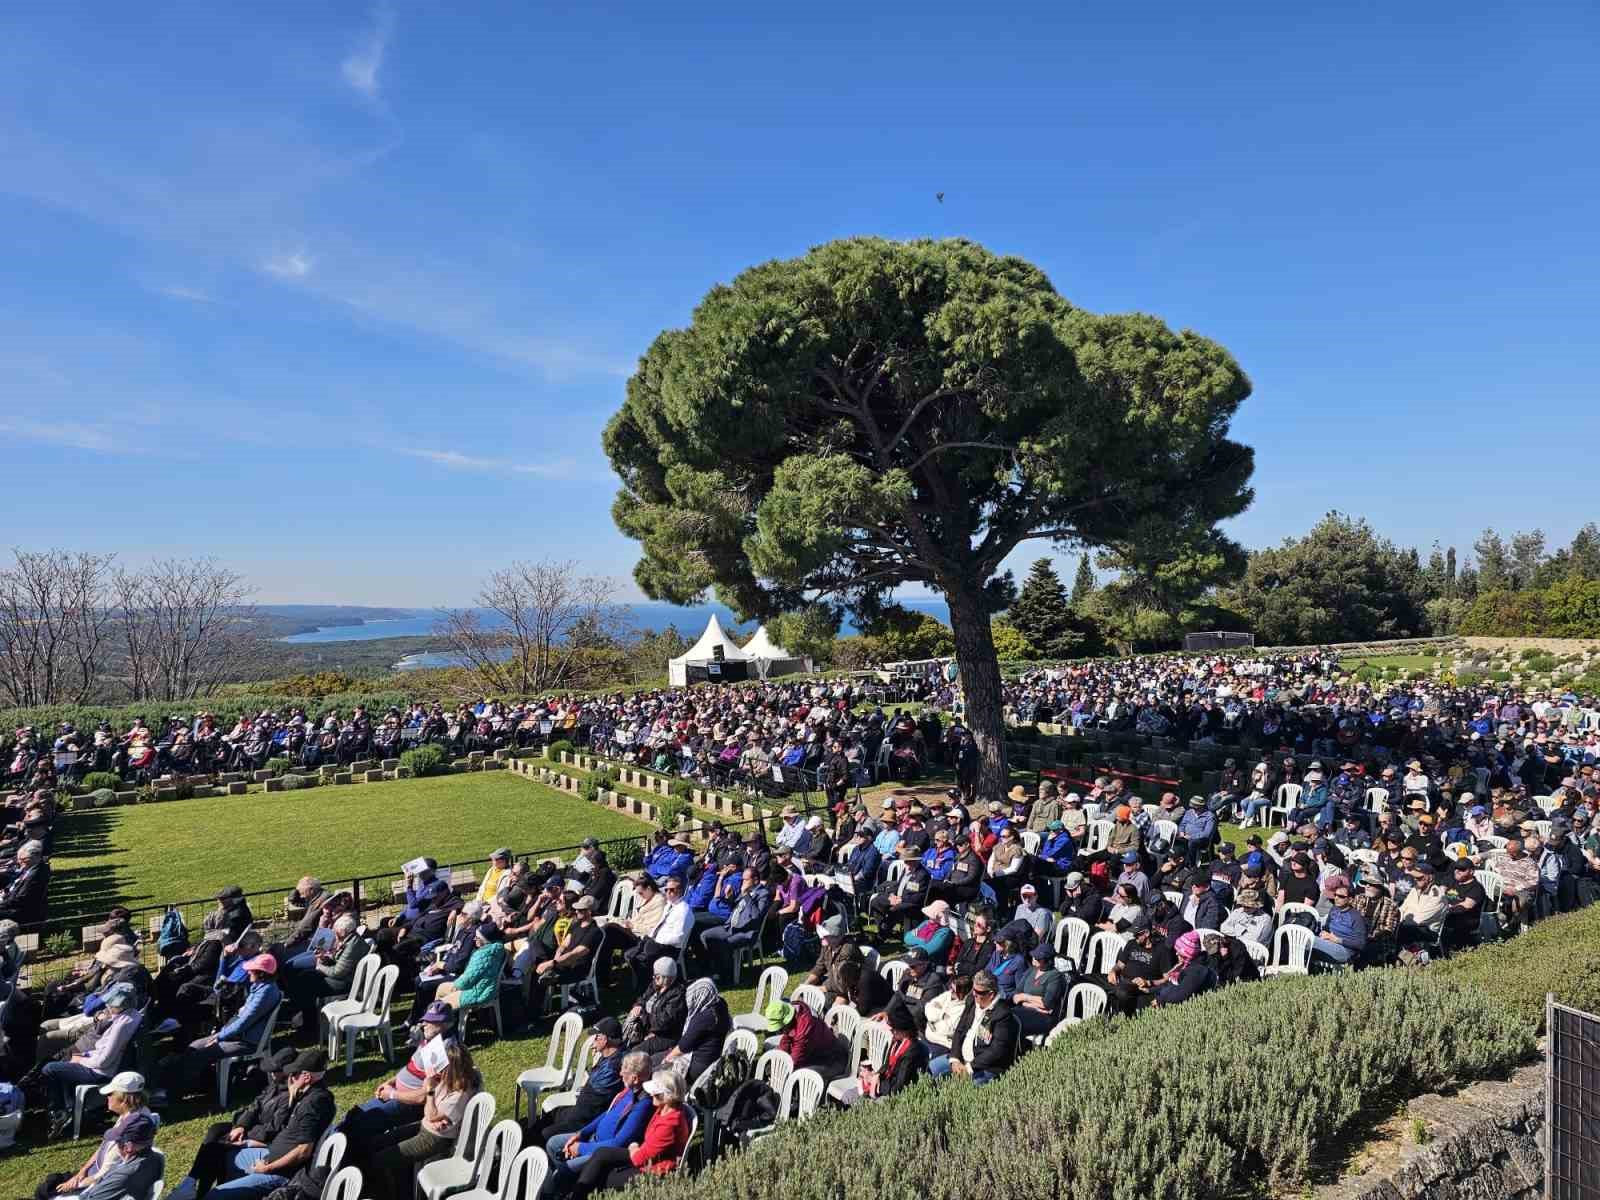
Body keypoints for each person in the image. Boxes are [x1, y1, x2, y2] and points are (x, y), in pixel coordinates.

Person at [206, 1049, 334, 1198]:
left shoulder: (313, 1103)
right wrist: (251, 1143)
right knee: (228, 1157)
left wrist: (267, 1169)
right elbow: (288, 1132)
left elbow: (303, 1152)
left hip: (281, 1172)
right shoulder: (307, 1095)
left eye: (294, 1074)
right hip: (270, 1154)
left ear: (306, 1077)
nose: (290, 1078)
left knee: (213, 1196)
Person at [339, 1003, 455, 1160]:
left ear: (447, 1024)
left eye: (431, 1021)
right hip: (396, 1093)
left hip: (407, 1103)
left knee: (360, 1122)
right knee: (353, 1116)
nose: (424, 1024)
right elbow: (412, 1068)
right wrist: (391, 1081)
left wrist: (392, 1094)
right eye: (425, 1019)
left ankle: (350, 1160)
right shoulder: (432, 1040)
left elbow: (426, 1095)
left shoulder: (442, 1051)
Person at [367, 1043, 482, 1200]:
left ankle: (394, 1194)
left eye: (442, 1067)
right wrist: (432, 1113)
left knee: (381, 1160)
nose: (438, 1069)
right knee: (378, 1142)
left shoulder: (459, 1094)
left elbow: (431, 1113)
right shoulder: (455, 1077)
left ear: (451, 1069)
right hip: (426, 1127)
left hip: (434, 1138)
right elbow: (431, 1114)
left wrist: (430, 1093)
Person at [158, 955, 280, 1099]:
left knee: (200, 1053)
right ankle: (191, 1083)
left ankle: (175, 1091)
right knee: (194, 1046)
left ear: (261, 973)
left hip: (247, 1041)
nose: (248, 972)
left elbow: (243, 1022)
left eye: (251, 970)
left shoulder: (265, 993)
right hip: (238, 1035)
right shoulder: (259, 988)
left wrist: (219, 1036)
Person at [564, 1069, 691, 1198]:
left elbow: (638, 1159)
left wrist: (634, 1146)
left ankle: (575, 1194)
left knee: (602, 1175)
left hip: (655, 1171)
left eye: (655, 1093)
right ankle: (575, 1193)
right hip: (647, 1157)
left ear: (667, 1097)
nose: (651, 1094)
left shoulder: (670, 1124)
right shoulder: (664, 1109)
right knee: (602, 1153)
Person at [32, 1071, 155, 1200]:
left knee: (44, 1192)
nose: (107, 1097)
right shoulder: (131, 1114)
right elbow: (103, 1146)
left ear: (124, 1100)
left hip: (96, 1183)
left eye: (110, 1094)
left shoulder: (132, 1131)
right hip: (93, 1171)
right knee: (49, 1183)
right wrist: (82, 1171)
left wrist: (75, 1184)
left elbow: (106, 1176)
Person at [544, 1051, 654, 1195]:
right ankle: (568, 1182)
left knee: (564, 1170)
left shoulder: (642, 1104)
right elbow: (607, 1114)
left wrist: (581, 1148)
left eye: (624, 1071)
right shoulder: (629, 1090)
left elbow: (618, 1143)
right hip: (592, 1138)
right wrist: (581, 1133)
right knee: (553, 1144)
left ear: (635, 1078)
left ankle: (565, 1187)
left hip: (601, 1150)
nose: (620, 1073)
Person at [42, 985, 143, 1137]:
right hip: (97, 1062)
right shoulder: (130, 1016)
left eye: (112, 1004)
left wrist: (80, 1060)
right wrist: (84, 1055)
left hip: (100, 1071)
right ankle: (71, 1114)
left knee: (50, 1069)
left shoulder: (122, 1025)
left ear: (123, 1005)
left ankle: (59, 1114)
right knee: (62, 1065)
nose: (108, 1006)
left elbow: (104, 1061)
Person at [528, 1018, 625, 1142]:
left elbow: (591, 1106)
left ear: (604, 1039)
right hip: (579, 1111)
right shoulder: (609, 1057)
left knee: (544, 1134)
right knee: (550, 1115)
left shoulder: (612, 1068)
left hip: (583, 1122)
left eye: (596, 1037)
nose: (593, 1040)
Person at [929, 970, 1018, 1086]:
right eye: (973, 989)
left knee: (963, 1089)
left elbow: (996, 1050)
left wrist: (969, 1067)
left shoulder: (1002, 1014)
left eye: (978, 992)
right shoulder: (972, 1000)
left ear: (991, 994)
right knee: (930, 1068)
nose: (974, 994)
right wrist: (955, 1058)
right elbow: (960, 1030)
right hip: (962, 1058)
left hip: (984, 1067)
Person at [528, 897, 605, 1019]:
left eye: (580, 910)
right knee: (535, 943)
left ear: (589, 911)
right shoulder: (576, 925)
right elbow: (563, 945)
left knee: (537, 976)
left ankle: (534, 1015)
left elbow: (576, 953)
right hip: (563, 964)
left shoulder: (594, 932)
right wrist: (554, 960)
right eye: (576, 909)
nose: (576, 911)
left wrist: (553, 963)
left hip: (576, 968)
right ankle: (545, 973)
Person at [839, 1000, 927, 1106]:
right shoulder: (897, 1041)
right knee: (848, 1095)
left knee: (860, 1105)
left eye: (893, 1030)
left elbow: (899, 1086)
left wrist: (877, 1083)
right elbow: (887, 1064)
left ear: (903, 1030)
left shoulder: (913, 1052)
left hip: (894, 1095)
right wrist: (875, 1075)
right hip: (885, 1084)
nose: (891, 1032)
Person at [66, 1113, 163, 1200]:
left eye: (117, 1141)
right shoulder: (157, 1158)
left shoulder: (122, 1176)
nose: (116, 1144)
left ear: (128, 1147)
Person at [697, 867, 769, 981]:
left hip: (746, 931)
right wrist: (729, 898)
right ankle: (718, 968)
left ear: (755, 880)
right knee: (705, 935)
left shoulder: (763, 893)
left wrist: (746, 896)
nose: (742, 882)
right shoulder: (745, 890)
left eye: (745, 880)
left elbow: (756, 916)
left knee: (724, 942)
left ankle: (727, 974)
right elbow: (737, 908)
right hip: (731, 926)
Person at [657, 978, 729, 1082]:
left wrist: (667, 1059)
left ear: (700, 997)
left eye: (695, 997)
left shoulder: (704, 1018)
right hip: (711, 1057)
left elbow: (683, 1046)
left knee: (655, 1068)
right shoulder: (720, 1004)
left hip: (698, 1068)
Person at [1105, 918, 1176, 1017]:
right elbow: (1120, 965)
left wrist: (1148, 982)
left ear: (1147, 933)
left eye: (1137, 934)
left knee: (1121, 992)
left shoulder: (1162, 950)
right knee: (1088, 979)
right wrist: (1113, 971)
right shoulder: (1131, 943)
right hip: (1121, 980)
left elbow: (1167, 978)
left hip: (1137, 986)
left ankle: (1123, 1018)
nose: (1134, 937)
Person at [767, 998, 849, 1079]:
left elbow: (794, 1061)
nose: (779, 1031)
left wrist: (777, 1070)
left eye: (780, 1028)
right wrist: (777, 1060)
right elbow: (786, 1040)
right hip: (814, 1055)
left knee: (798, 1075)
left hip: (832, 1061)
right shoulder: (794, 1014)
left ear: (786, 1020)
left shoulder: (804, 1029)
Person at [434, 923, 507, 1014]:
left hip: (476, 993)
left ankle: (437, 1017)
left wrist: (455, 985)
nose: (474, 939)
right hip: (484, 988)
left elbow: (466, 982)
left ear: (486, 940)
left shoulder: (483, 955)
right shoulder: (497, 949)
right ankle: (441, 1016)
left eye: (478, 937)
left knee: (440, 1006)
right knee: (441, 988)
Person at [622, 960, 685, 1058]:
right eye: (655, 975)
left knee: (634, 1053)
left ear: (668, 977)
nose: (654, 978)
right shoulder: (656, 984)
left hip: (666, 1036)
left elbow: (664, 1022)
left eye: (657, 976)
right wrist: (638, 1005)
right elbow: (643, 998)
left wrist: (644, 1016)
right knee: (625, 1041)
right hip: (649, 1028)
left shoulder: (677, 994)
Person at [1010, 943, 1066, 1037]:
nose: (1034, 959)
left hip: (1044, 1018)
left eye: (1038, 958)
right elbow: (1015, 996)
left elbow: (1046, 1003)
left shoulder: (1055, 976)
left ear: (1048, 960)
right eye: (1034, 956)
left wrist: (1025, 997)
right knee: (1004, 1018)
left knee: (1012, 1025)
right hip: (1026, 1010)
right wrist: (1033, 1005)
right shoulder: (1031, 970)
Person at [1153, 930, 1215, 1007]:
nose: (1176, 953)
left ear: (1187, 954)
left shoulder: (1196, 970)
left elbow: (1181, 994)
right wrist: (1150, 990)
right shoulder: (1187, 965)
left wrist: (1160, 999)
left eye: (1179, 952)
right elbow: (1170, 984)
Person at [1312, 883, 1367, 965]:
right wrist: (1324, 933)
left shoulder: (1356, 917)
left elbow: (1361, 944)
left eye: (1341, 896)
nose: (1336, 898)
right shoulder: (1334, 909)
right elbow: (1326, 927)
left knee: (1308, 940)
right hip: (1329, 943)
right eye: (1335, 895)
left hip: (1345, 951)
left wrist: (1337, 940)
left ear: (1350, 900)